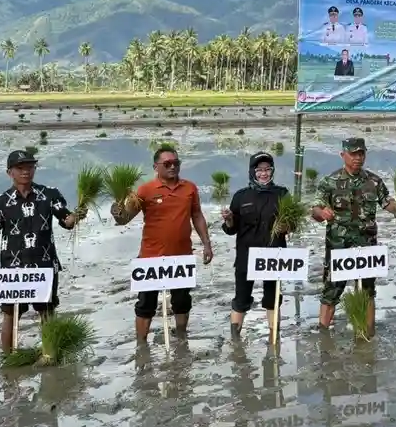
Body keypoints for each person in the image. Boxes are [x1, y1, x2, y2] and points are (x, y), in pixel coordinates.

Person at [113, 145, 214, 341]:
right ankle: (141, 345)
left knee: (182, 301)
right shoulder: (145, 190)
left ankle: (182, 338)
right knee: (145, 304)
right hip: (151, 256)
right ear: (155, 167)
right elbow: (125, 218)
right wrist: (117, 212)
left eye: (176, 163)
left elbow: (197, 215)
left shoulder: (190, 188)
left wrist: (207, 244)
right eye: (167, 164)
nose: (173, 167)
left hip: (181, 256)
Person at [0, 150, 77, 353]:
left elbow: (66, 220)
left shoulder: (49, 195)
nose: (26, 171)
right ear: (10, 172)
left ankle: (50, 354)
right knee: (10, 314)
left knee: (47, 312)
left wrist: (76, 216)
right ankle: (8, 357)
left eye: (30, 167)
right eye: (21, 168)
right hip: (13, 269)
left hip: (44, 265)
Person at [311, 137, 396, 334]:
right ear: (343, 155)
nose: (358, 158)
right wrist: (322, 213)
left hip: (366, 246)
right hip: (338, 246)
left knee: (368, 291)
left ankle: (368, 333)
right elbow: (315, 209)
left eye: (361, 154)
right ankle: (323, 334)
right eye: (353, 154)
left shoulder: (374, 181)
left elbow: (388, 203)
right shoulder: (330, 182)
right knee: (332, 290)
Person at [221, 152, 290, 336]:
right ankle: (236, 341)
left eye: (268, 169)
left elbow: (293, 224)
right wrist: (229, 219)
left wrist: (286, 226)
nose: (264, 174)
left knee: (273, 299)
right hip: (246, 256)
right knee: (241, 299)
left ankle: (274, 339)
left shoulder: (282, 194)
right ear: (252, 172)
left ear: (272, 171)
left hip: (274, 256)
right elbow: (231, 229)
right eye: (259, 170)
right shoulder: (241, 196)